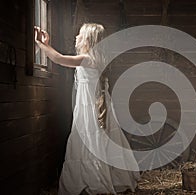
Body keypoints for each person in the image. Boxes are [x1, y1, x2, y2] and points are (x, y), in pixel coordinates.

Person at [34, 23, 140, 195]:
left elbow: (59, 59)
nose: (76, 37)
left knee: (90, 141)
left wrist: (41, 43)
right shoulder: (97, 59)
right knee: (97, 141)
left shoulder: (87, 59)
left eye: (80, 35)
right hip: (97, 106)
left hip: (91, 109)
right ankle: (103, 178)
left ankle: (95, 180)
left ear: (88, 40)